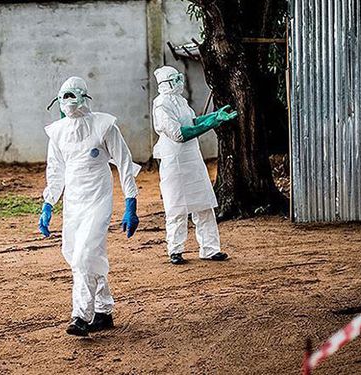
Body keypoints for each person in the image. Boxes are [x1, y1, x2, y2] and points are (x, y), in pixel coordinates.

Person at [38, 77, 141, 336]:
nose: (69, 102)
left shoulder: (104, 126)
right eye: (64, 97)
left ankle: (80, 316)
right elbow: (56, 170)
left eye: (73, 96)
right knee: (77, 255)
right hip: (74, 203)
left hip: (98, 199)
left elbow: (124, 162)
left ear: (85, 96)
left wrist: (131, 202)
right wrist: (49, 203)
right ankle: (104, 311)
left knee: (84, 256)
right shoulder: (58, 132)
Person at [152, 66, 237, 265]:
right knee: (176, 208)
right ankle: (175, 249)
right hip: (175, 162)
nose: (180, 81)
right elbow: (180, 134)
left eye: (179, 77)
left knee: (204, 205)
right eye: (175, 79)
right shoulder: (161, 106)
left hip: (193, 160)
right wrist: (211, 124)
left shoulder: (181, 102)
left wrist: (214, 117)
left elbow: (193, 121)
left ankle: (210, 248)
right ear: (166, 84)